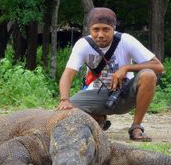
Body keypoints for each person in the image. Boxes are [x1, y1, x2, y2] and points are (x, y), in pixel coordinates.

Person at [57, 7, 164, 142]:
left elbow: (158, 66)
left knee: (148, 75)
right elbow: (68, 74)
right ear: (90, 29)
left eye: (106, 29)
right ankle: (98, 119)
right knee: (62, 114)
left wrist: (126, 68)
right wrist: (64, 100)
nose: (100, 34)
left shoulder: (125, 40)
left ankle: (136, 127)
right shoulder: (83, 45)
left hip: (125, 94)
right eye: (96, 29)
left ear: (114, 29)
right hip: (96, 94)